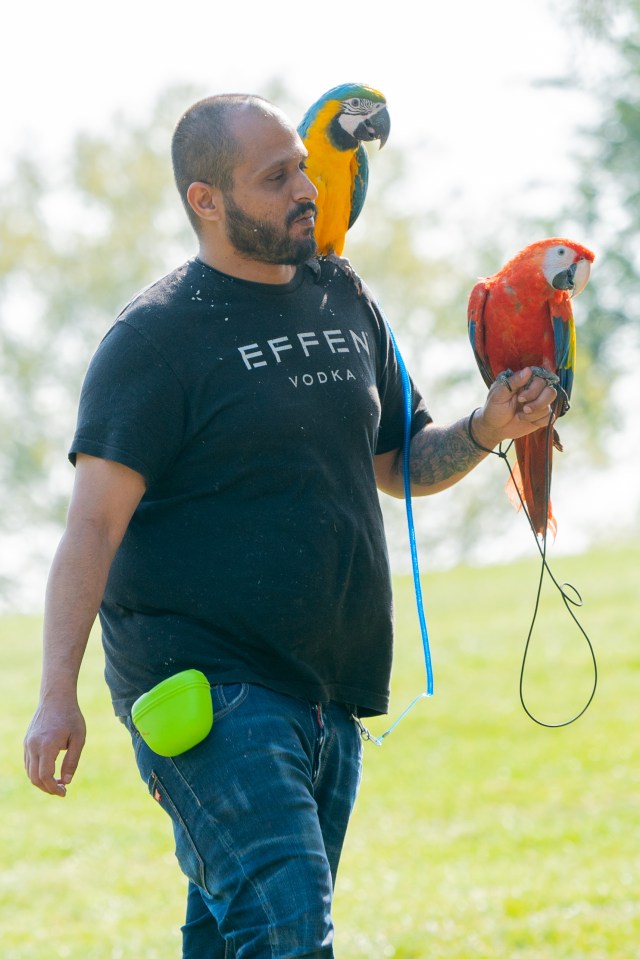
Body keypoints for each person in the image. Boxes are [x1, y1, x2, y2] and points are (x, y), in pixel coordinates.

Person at [24, 93, 558, 958]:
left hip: (329, 692)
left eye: (302, 169)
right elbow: (91, 528)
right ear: (207, 199)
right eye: (277, 178)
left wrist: (489, 429)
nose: (307, 189)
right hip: (207, 693)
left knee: (238, 934)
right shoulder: (154, 340)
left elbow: (400, 463)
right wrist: (57, 697)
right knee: (287, 931)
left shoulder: (345, 297)